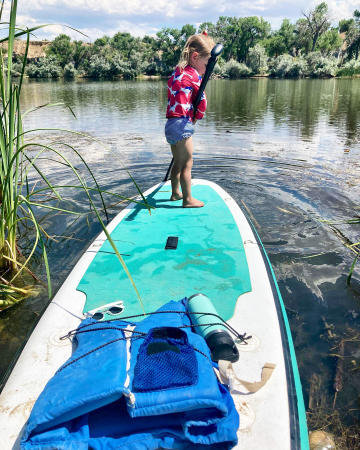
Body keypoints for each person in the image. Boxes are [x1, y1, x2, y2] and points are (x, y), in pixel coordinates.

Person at [165, 33, 215, 208]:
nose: (207, 69)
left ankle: (174, 193)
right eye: (206, 64)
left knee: (177, 162)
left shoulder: (176, 73)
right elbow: (202, 102)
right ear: (195, 57)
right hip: (182, 124)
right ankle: (187, 199)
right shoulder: (194, 76)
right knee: (187, 163)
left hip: (170, 124)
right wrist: (197, 117)